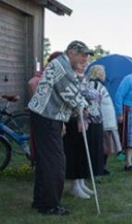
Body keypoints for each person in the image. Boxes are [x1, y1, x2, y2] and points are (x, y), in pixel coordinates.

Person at [28, 41, 92, 215]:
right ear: (71, 53)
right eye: (82, 55)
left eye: (86, 56)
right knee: (55, 162)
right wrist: (85, 108)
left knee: (45, 161)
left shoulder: (62, 65)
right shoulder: (62, 68)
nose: (84, 59)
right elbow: (71, 94)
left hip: (45, 116)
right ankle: (50, 205)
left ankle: (40, 200)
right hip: (46, 116)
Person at [63, 59, 105, 199]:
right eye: (80, 62)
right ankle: (75, 185)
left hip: (92, 120)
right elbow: (73, 99)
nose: (84, 64)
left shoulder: (85, 79)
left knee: (84, 153)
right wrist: (81, 116)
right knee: (77, 152)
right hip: (77, 120)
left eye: (85, 63)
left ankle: (81, 182)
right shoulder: (70, 78)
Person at [88, 65, 122, 175]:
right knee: (103, 145)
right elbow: (94, 102)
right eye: (103, 73)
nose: (104, 75)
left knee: (105, 145)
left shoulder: (99, 84)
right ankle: (99, 167)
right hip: (102, 120)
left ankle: (102, 166)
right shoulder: (95, 84)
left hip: (106, 120)